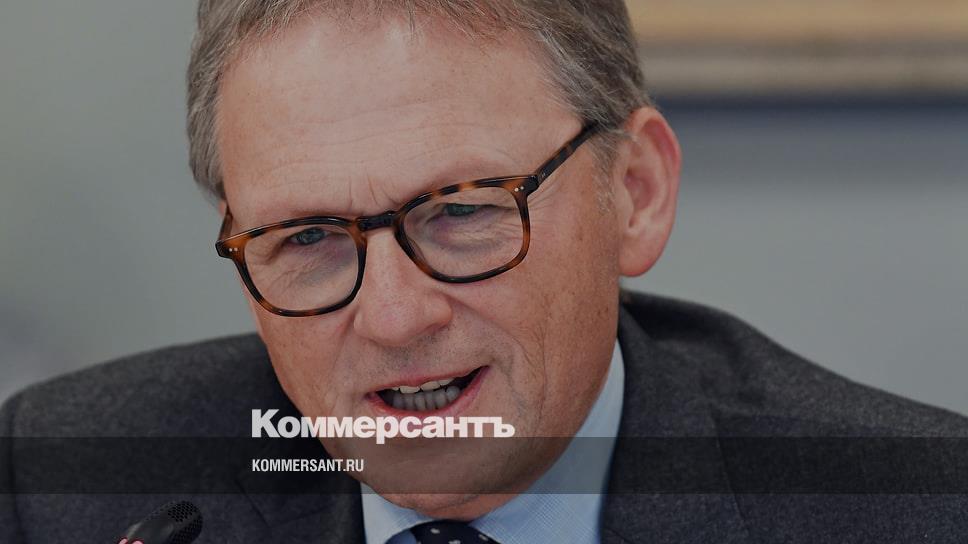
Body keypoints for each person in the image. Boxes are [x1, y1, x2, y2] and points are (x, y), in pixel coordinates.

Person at [2, 1, 967, 542]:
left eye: (461, 212)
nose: (392, 318)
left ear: (633, 193)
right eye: (306, 237)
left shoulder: (912, 512)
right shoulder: (64, 488)